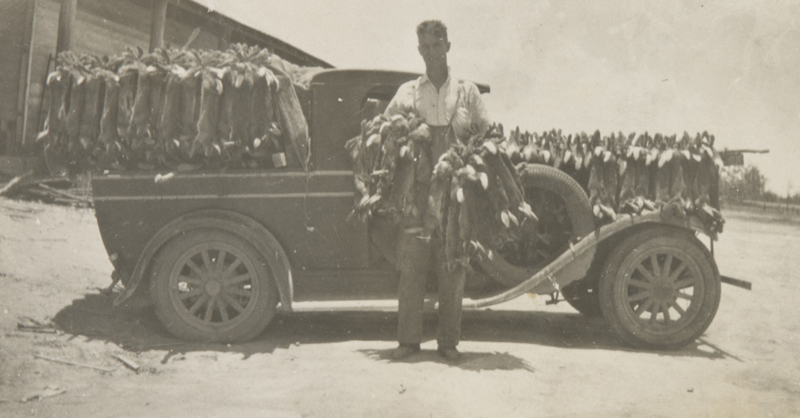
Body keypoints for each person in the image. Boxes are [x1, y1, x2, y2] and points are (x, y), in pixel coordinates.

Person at [384, 20, 490, 361]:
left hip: (455, 188)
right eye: (425, 46)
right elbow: (388, 128)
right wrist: (410, 134)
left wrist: (466, 160)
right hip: (417, 189)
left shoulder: (467, 92)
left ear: (448, 45)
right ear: (419, 50)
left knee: (453, 265)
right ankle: (408, 341)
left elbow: (486, 135)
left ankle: (448, 343)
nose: (431, 52)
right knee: (412, 264)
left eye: (436, 44)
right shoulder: (408, 92)